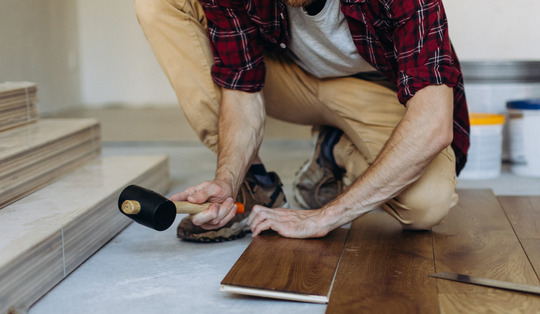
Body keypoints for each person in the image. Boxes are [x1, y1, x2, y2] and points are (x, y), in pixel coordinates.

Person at [135, 0, 469, 241]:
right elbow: (240, 92)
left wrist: (326, 217)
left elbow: (432, 122)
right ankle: (253, 186)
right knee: (159, 3)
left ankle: (335, 149)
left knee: (427, 204)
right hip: (288, 81)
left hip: (378, 91)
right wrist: (228, 179)